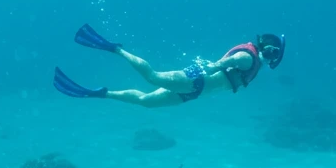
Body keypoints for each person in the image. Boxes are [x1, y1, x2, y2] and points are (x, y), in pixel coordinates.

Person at [53, 24, 285, 108]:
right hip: (197, 80)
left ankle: (101, 94)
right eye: (273, 53)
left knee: (146, 102)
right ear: (266, 48)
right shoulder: (248, 58)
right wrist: (213, 67)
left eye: (275, 55)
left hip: (194, 92)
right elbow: (225, 63)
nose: (273, 58)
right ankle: (115, 48)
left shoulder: (255, 62)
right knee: (152, 77)